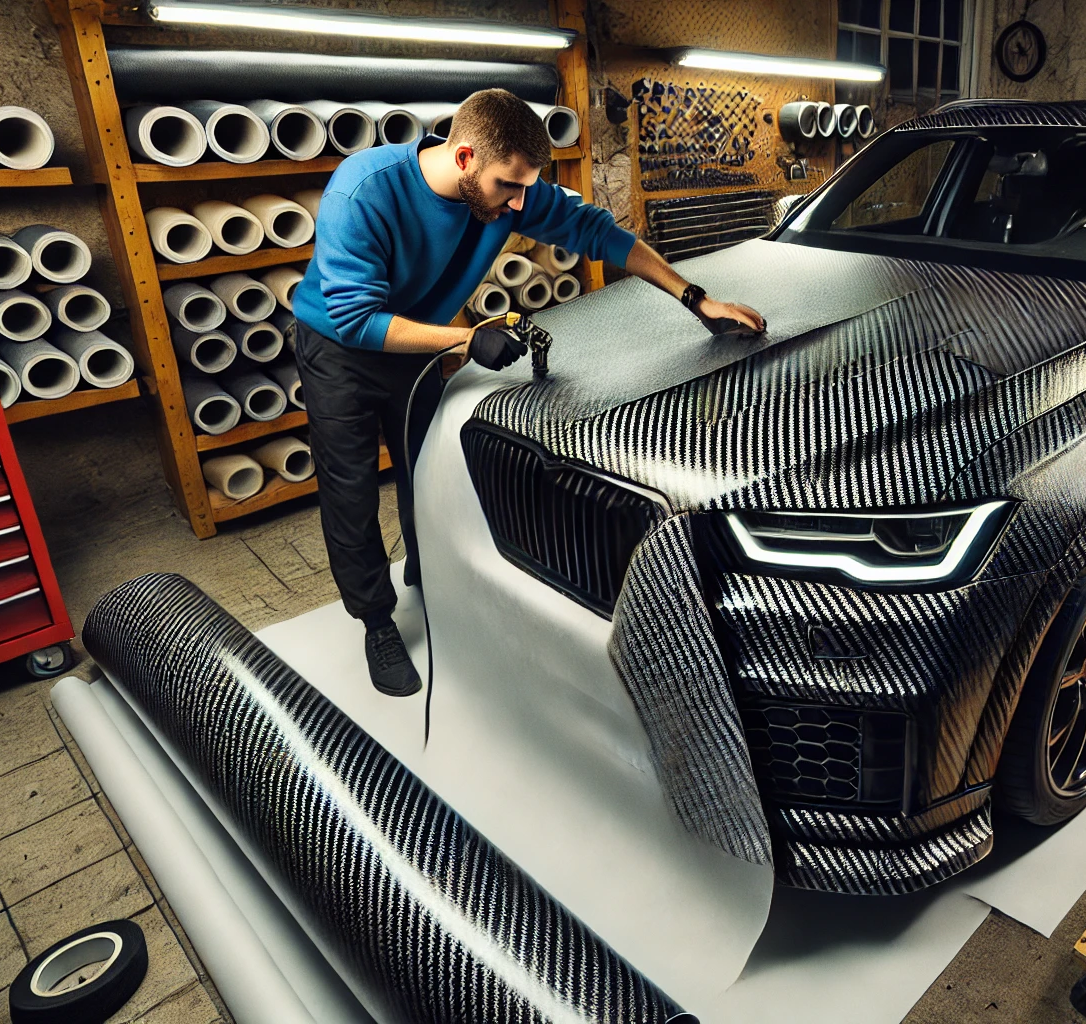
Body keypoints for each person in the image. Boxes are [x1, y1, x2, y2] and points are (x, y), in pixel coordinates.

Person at [293, 88, 764, 697]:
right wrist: (465, 342)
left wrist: (694, 298)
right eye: (506, 187)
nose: (519, 203)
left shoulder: (509, 190)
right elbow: (356, 317)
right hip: (342, 351)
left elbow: (601, 234)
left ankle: (427, 572)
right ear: (464, 158)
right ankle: (376, 620)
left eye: (526, 188)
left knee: (423, 467)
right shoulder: (364, 190)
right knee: (352, 488)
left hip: (418, 340)